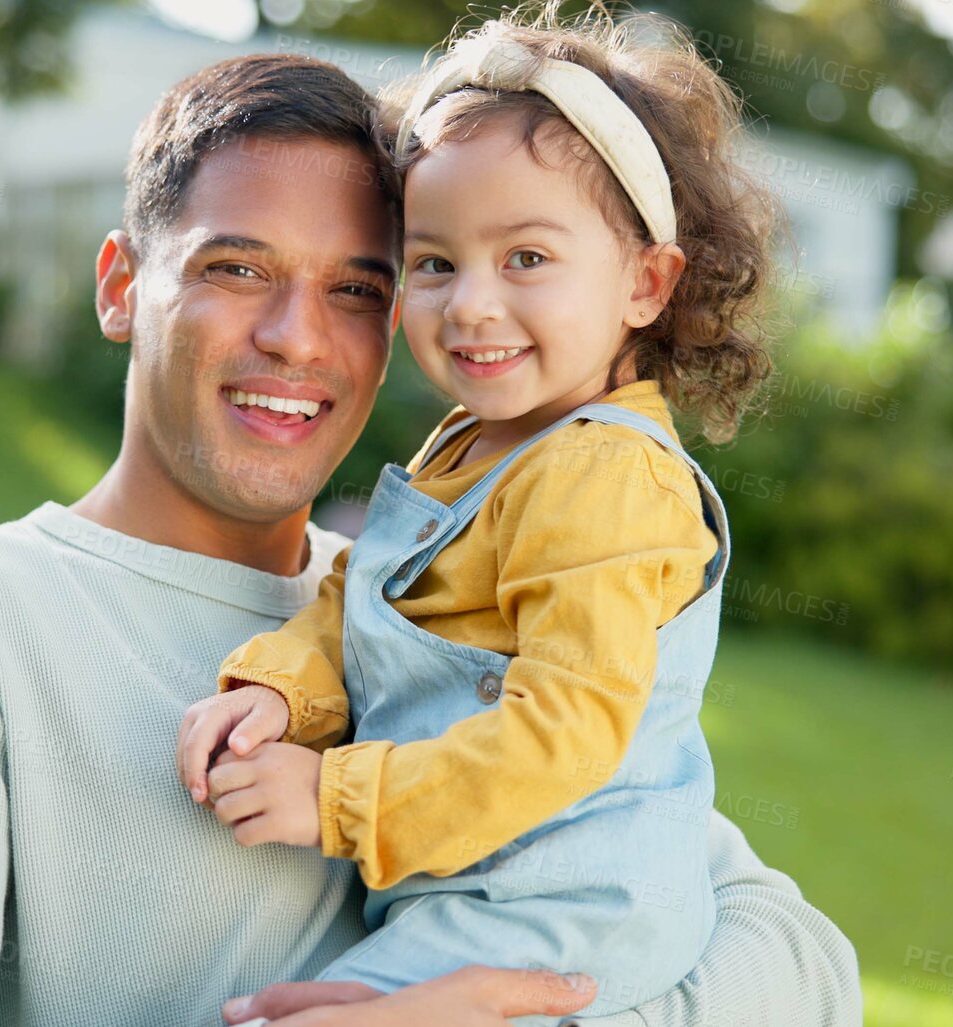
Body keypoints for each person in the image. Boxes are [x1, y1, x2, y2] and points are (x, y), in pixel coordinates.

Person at [0, 45, 861, 1027]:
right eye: (237, 269)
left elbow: (807, 970)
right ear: (122, 286)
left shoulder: (454, 608)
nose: (295, 337)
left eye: (356, 287)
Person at [173, 10, 776, 1021]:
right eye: (437, 262)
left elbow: (564, 736)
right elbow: (363, 597)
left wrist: (332, 797)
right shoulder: (478, 442)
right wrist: (284, 691)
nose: (472, 306)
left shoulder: (602, 473)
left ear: (645, 280)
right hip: (475, 891)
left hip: (560, 906)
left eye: (527, 258)